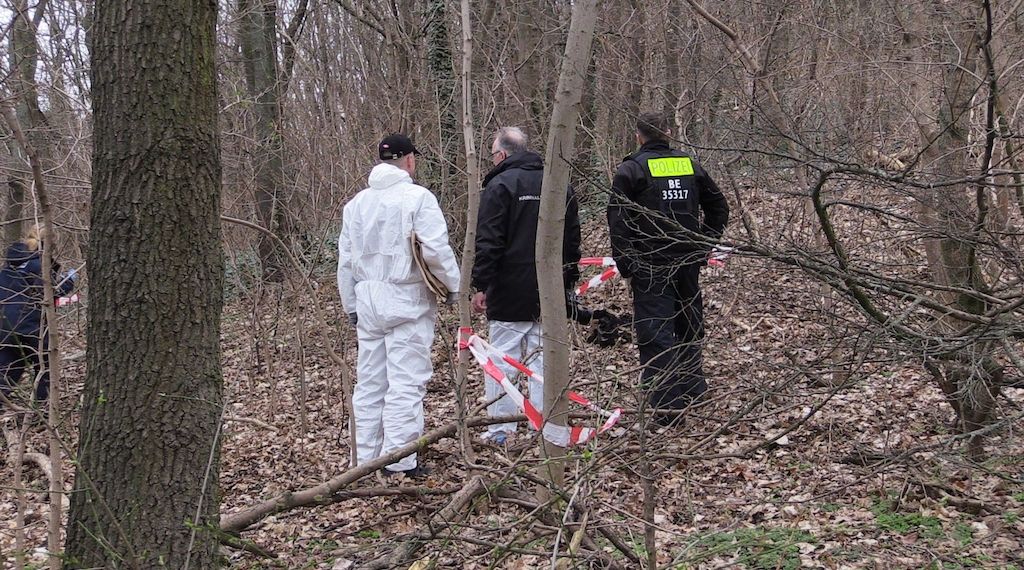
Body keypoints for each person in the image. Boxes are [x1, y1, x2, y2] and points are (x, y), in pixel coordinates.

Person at [337, 134, 461, 477]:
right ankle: (399, 462)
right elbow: (435, 249)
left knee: (371, 383)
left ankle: (363, 460)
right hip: (407, 298)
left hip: (367, 300)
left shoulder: (356, 205)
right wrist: (454, 286)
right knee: (406, 381)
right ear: (408, 160)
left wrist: (351, 304)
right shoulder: (417, 198)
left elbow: (345, 261)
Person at [607, 112, 729, 423]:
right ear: (669, 132)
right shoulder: (689, 165)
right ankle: (691, 389)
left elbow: (617, 221)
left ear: (639, 136)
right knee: (689, 324)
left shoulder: (631, 169)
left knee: (656, 332)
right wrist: (704, 244)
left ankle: (667, 408)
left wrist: (628, 264)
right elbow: (719, 206)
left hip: (652, 265)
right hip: (686, 261)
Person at [471, 127, 581, 444]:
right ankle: (544, 427)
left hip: (507, 288)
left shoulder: (499, 185)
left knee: (500, 360)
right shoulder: (557, 183)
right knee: (541, 358)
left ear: (502, 155)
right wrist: (568, 281)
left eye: (492, 155)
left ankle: (502, 429)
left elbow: (489, 240)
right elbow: (572, 238)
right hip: (550, 288)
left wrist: (482, 284)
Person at [0, 223, 78, 408]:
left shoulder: (9, 265)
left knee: (9, 368)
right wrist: (68, 282)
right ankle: (40, 412)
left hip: (5, 325)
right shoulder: (39, 264)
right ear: (50, 242)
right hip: (32, 326)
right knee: (45, 369)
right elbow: (50, 294)